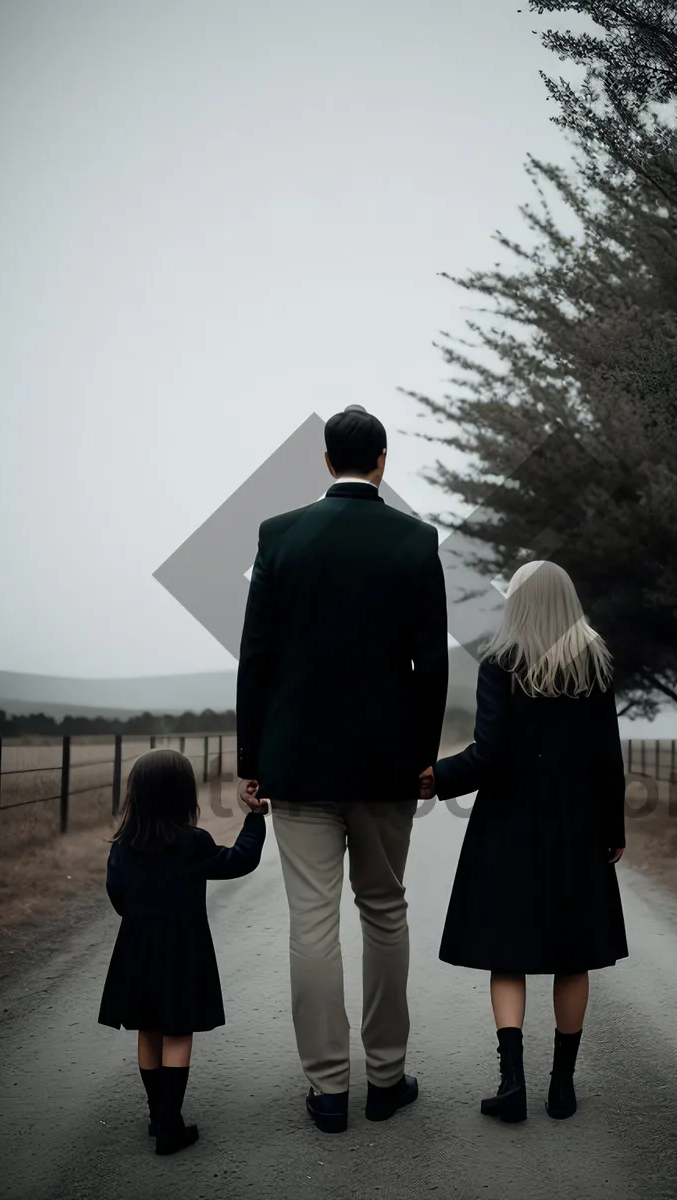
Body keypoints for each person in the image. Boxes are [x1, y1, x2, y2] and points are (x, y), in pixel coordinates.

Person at [235, 404, 448, 1134]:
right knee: (385, 912)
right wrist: (423, 754)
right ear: (382, 460)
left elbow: (256, 657)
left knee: (311, 922)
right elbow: (433, 664)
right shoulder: (417, 540)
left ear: (329, 463)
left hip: (296, 762)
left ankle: (328, 1090)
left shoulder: (280, 536)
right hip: (388, 762)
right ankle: (386, 1078)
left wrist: (250, 759)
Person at [419, 560, 628, 1123]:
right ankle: (562, 1087)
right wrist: (613, 830)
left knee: (506, 956)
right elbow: (608, 759)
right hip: (578, 829)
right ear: (567, 600)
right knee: (573, 955)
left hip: (507, 828)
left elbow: (488, 755)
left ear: (517, 603)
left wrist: (438, 776)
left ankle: (512, 1084)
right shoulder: (594, 665)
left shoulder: (501, 663)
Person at [97, 748, 267, 1155]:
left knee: (148, 1028)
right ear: (183, 796)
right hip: (182, 951)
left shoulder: (123, 847)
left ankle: (157, 1117)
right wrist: (255, 818)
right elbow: (239, 861)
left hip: (136, 950)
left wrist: (141, 920)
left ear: (135, 796)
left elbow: (116, 895)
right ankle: (171, 1124)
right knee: (177, 1031)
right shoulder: (192, 843)